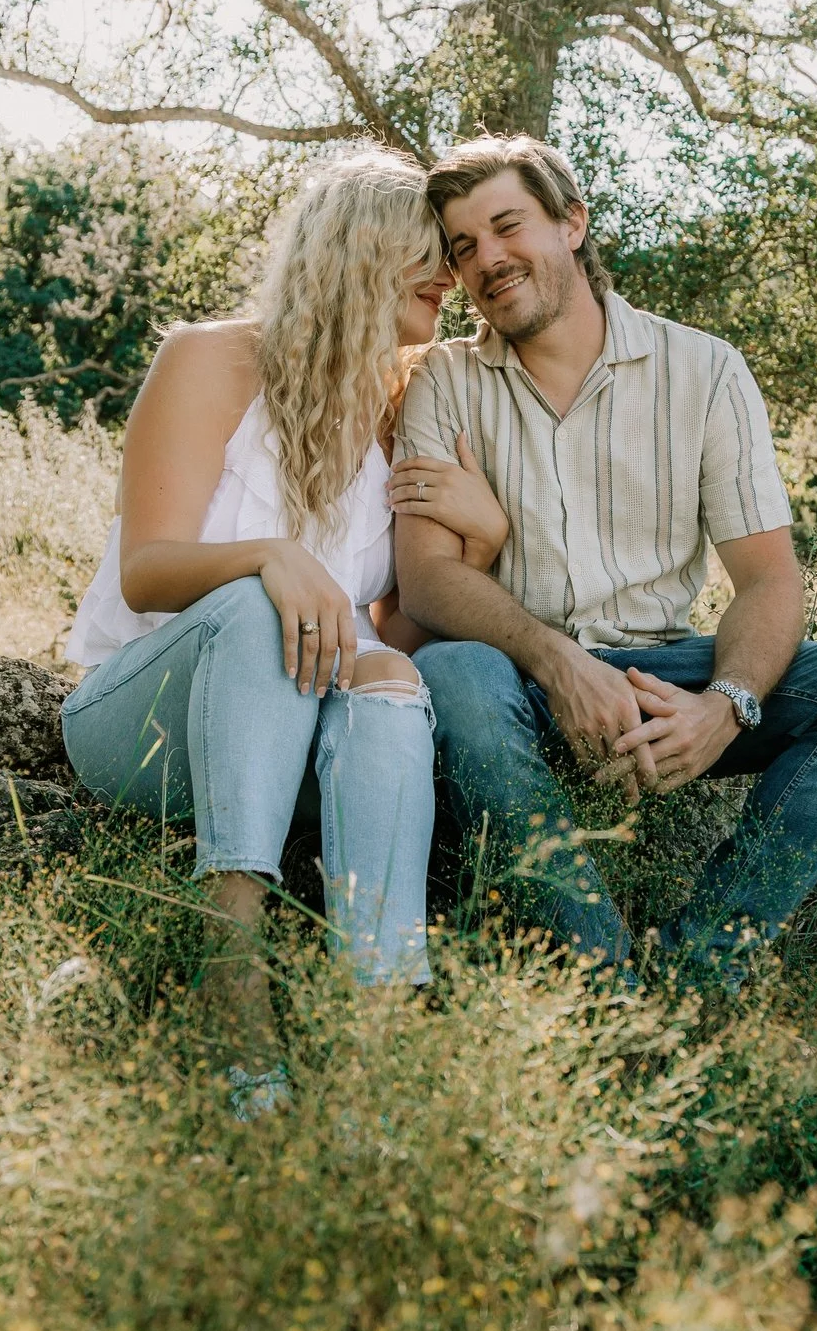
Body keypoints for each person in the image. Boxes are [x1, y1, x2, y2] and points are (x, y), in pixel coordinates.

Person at [393, 135, 817, 988]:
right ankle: (601, 979)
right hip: (517, 686)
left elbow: (768, 579)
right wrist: (556, 660)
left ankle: (698, 964)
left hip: (664, 680)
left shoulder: (705, 369)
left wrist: (724, 706)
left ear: (572, 223)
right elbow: (425, 577)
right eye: (464, 248)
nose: (488, 259)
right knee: (455, 671)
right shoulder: (444, 382)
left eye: (507, 226)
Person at [61, 148, 511, 1118]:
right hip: (144, 720)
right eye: (425, 250)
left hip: (306, 731)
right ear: (356, 252)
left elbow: (393, 624)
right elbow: (148, 567)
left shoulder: (399, 412)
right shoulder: (211, 359)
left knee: (392, 684)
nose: (450, 272)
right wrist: (270, 555)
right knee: (267, 605)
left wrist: (482, 537)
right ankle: (235, 986)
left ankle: (375, 1034)